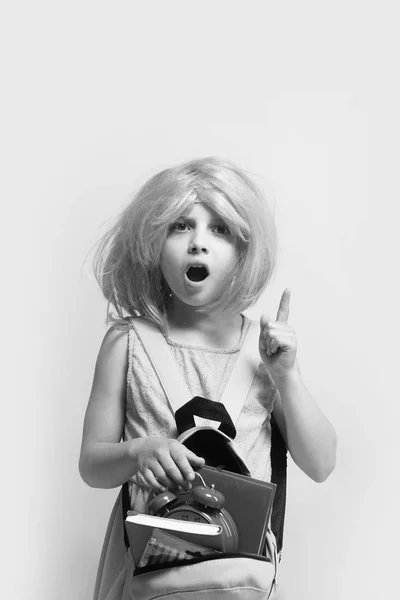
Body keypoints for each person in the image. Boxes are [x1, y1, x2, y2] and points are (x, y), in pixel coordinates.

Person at [79, 156, 337, 600]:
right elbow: (91, 465)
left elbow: (321, 464)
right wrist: (141, 452)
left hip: (238, 580)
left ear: (242, 251)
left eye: (219, 229)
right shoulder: (127, 341)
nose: (198, 243)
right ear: (153, 241)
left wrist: (287, 376)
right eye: (180, 226)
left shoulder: (265, 351)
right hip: (150, 575)